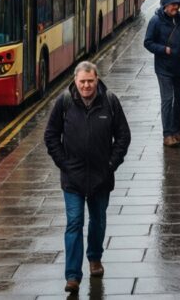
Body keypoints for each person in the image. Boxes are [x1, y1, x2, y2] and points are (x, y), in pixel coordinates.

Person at [43, 62, 131, 293]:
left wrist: (112, 164)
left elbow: (123, 135)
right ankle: (72, 275)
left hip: (101, 177)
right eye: (82, 81)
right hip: (72, 178)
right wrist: (63, 163)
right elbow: (51, 135)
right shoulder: (64, 102)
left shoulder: (110, 101)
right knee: (74, 223)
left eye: (90, 81)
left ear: (97, 79)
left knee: (98, 220)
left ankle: (94, 257)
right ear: (75, 81)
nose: (86, 86)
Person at [144, 0, 180, 147]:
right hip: (164, 68)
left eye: (177, 4)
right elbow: (148, 42)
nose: (175, 7)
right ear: (165, 6)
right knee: (167, 100)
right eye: (172, 5)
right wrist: (164, 49)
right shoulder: (156, 21)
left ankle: (177, 131)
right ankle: (168, 134)